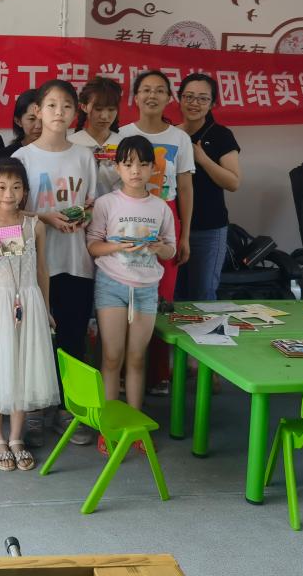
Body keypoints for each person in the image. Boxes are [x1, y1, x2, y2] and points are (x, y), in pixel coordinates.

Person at [12, 80, 97, 447]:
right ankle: (33, 409)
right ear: (37, 111)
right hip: (36, 264)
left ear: (76, 112)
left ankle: (68, 409)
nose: (59, 112)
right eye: (51, 105)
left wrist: (84, 216)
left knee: (72, 338)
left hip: (76, 261)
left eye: (66, 106)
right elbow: (9, 210)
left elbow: (94, 203)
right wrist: (45, 217)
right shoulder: (23, 159)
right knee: (33, 339)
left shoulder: (85, 156)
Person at [0, 159, 58, 471]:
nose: (9, 193)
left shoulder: (35, 227)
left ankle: (16, 438)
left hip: (28, 303)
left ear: (25, 192)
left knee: (22, 368)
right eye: (2, 186)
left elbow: (42, 270)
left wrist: (46, 308)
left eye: (16, 187)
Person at [86, 136, 176, 456]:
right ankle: (110, 426)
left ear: (153, 168)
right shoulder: (106, 203)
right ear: (117, 167)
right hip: (111, 284)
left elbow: (171, 249)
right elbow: (93, 245)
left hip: (146, 288)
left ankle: (136, 425)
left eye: (143, 164)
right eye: (128, 164)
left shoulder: (160, 206)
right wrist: (117, 246)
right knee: (112, 357)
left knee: (138, 358)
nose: (135, 170)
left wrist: (159, 248)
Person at [117, 70, 194, 394]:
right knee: (126, 295)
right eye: (145, 90)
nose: (152, 95)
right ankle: (125, 373)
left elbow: (186, 187)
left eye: (159, 90)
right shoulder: (121, 134)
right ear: (135, 97)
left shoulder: (180, 138)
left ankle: (159, 374)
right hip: (128, 218)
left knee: (162, 298)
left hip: (166, 218)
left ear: (168, 98)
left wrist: (184, 235)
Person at [175, 73, 241, 301]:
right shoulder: (172, 134)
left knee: (202, 294)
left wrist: (202, 159)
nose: (194, 103)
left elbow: (233, 183)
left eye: (203, 98)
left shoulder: (221, 135)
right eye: (189, 96)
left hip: (208, 229)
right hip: (172, 228)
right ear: (179, 99)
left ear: (212, 103)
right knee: (173, 295)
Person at [71, 76, 122, 196]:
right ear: (84, 107)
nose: (105, 116)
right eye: (98, 109)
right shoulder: (70, 143)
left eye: (111, 109)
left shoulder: (123, 145)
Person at [0, 89, 41, 158]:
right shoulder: (7, 156)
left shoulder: (57, 151)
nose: (38, 126)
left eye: (43, 119)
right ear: (18, 121)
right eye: (32, 119)